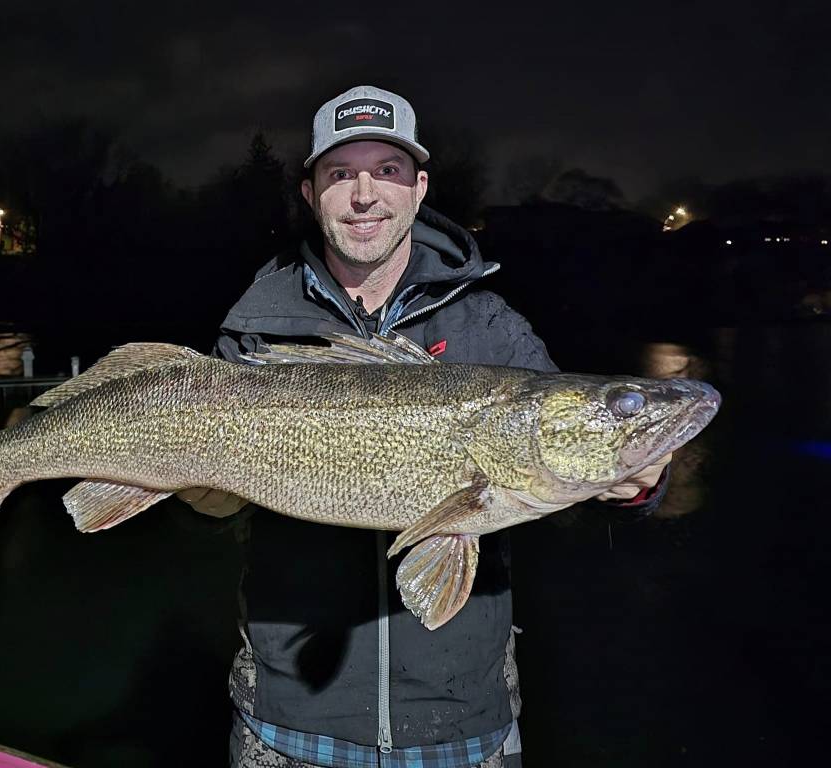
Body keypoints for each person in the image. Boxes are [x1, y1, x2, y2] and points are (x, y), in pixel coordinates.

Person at [177, 85, 670, 768]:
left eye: (388, 170)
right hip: (288, 723)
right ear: (310, 190)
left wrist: (635, 481)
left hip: (462, 728)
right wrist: (201, 496)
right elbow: (207, 512)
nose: (364, 194)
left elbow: (564, 497)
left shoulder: (491, 327)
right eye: (340, 173)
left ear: (420, 187)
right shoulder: (255, 323)